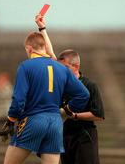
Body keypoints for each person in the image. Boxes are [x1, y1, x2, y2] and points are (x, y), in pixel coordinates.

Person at [0, 31, 90, 164]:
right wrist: (68, 110)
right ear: (44, 47)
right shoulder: (62, 69)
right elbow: (84, 95)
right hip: (55, 123)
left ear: (29, 48)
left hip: (33, 120)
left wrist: (11, 119)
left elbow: (18, 101)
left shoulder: (26, 66)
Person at [35, 14, 105, 164]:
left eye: (65, 67)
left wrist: (74, 115)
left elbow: (98, 115)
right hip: (65, 135)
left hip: (84, 135)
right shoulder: (61, 81)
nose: (61, 70)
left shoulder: (89, 85)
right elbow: (50, 53)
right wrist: (42, 28)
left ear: (76, 66)